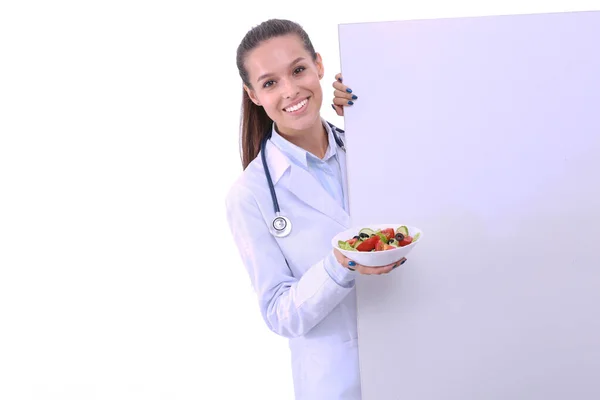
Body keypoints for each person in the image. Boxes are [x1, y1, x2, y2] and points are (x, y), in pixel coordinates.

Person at [225, 18, 407, 400]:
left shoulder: (367, 146)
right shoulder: (251, 194)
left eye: (298, 70)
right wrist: (338, 265)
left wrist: (373, 117)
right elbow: (279, 312)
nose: (291, 90)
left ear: (319, 66)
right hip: (337, 384)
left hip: (415, 357)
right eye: (270, 82)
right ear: (253, 94)